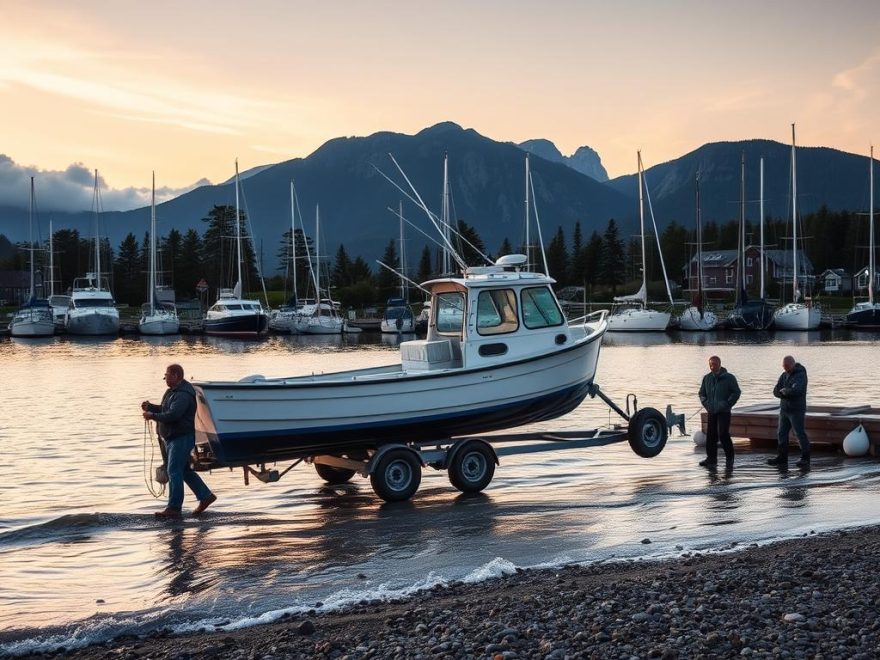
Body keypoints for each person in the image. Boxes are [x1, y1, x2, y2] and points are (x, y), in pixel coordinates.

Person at [142, 363, 216, 518]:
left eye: (167, 375)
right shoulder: (173, 392)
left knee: (174, 471)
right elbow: (165, 409)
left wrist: (152, 416)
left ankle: (174, 508)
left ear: (176, 375)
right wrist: (152, 407)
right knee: (184, 470)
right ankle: (205, 496)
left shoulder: (182, 394)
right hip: (174, 438)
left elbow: (173, 415)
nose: (165, 378)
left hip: (180, 438)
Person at [698, 355, 741, 469]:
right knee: (711, 435)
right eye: (710, 365)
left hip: (724, 411)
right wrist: (706, 404)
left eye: (715, 364)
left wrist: (727, 403)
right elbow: (701, 393)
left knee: (723, 434)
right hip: (711, 411)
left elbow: (736, 392)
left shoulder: (729, 378)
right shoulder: (707, 378)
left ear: (719, 364)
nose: (712, 367)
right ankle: (711, 459)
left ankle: (730, 459)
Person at [769, 355, 810, 468]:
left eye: (786, 366)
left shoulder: (800, 375)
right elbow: (776, 390)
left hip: (796, 409)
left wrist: (786, 391)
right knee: (781, 433)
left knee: (799, 433)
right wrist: (783, 392)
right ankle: (782, 457)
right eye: (783, 366)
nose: (785, 368)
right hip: (784, 409)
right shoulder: (783, 375)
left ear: (793, 364)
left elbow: (797, 390)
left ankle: (805, 458)